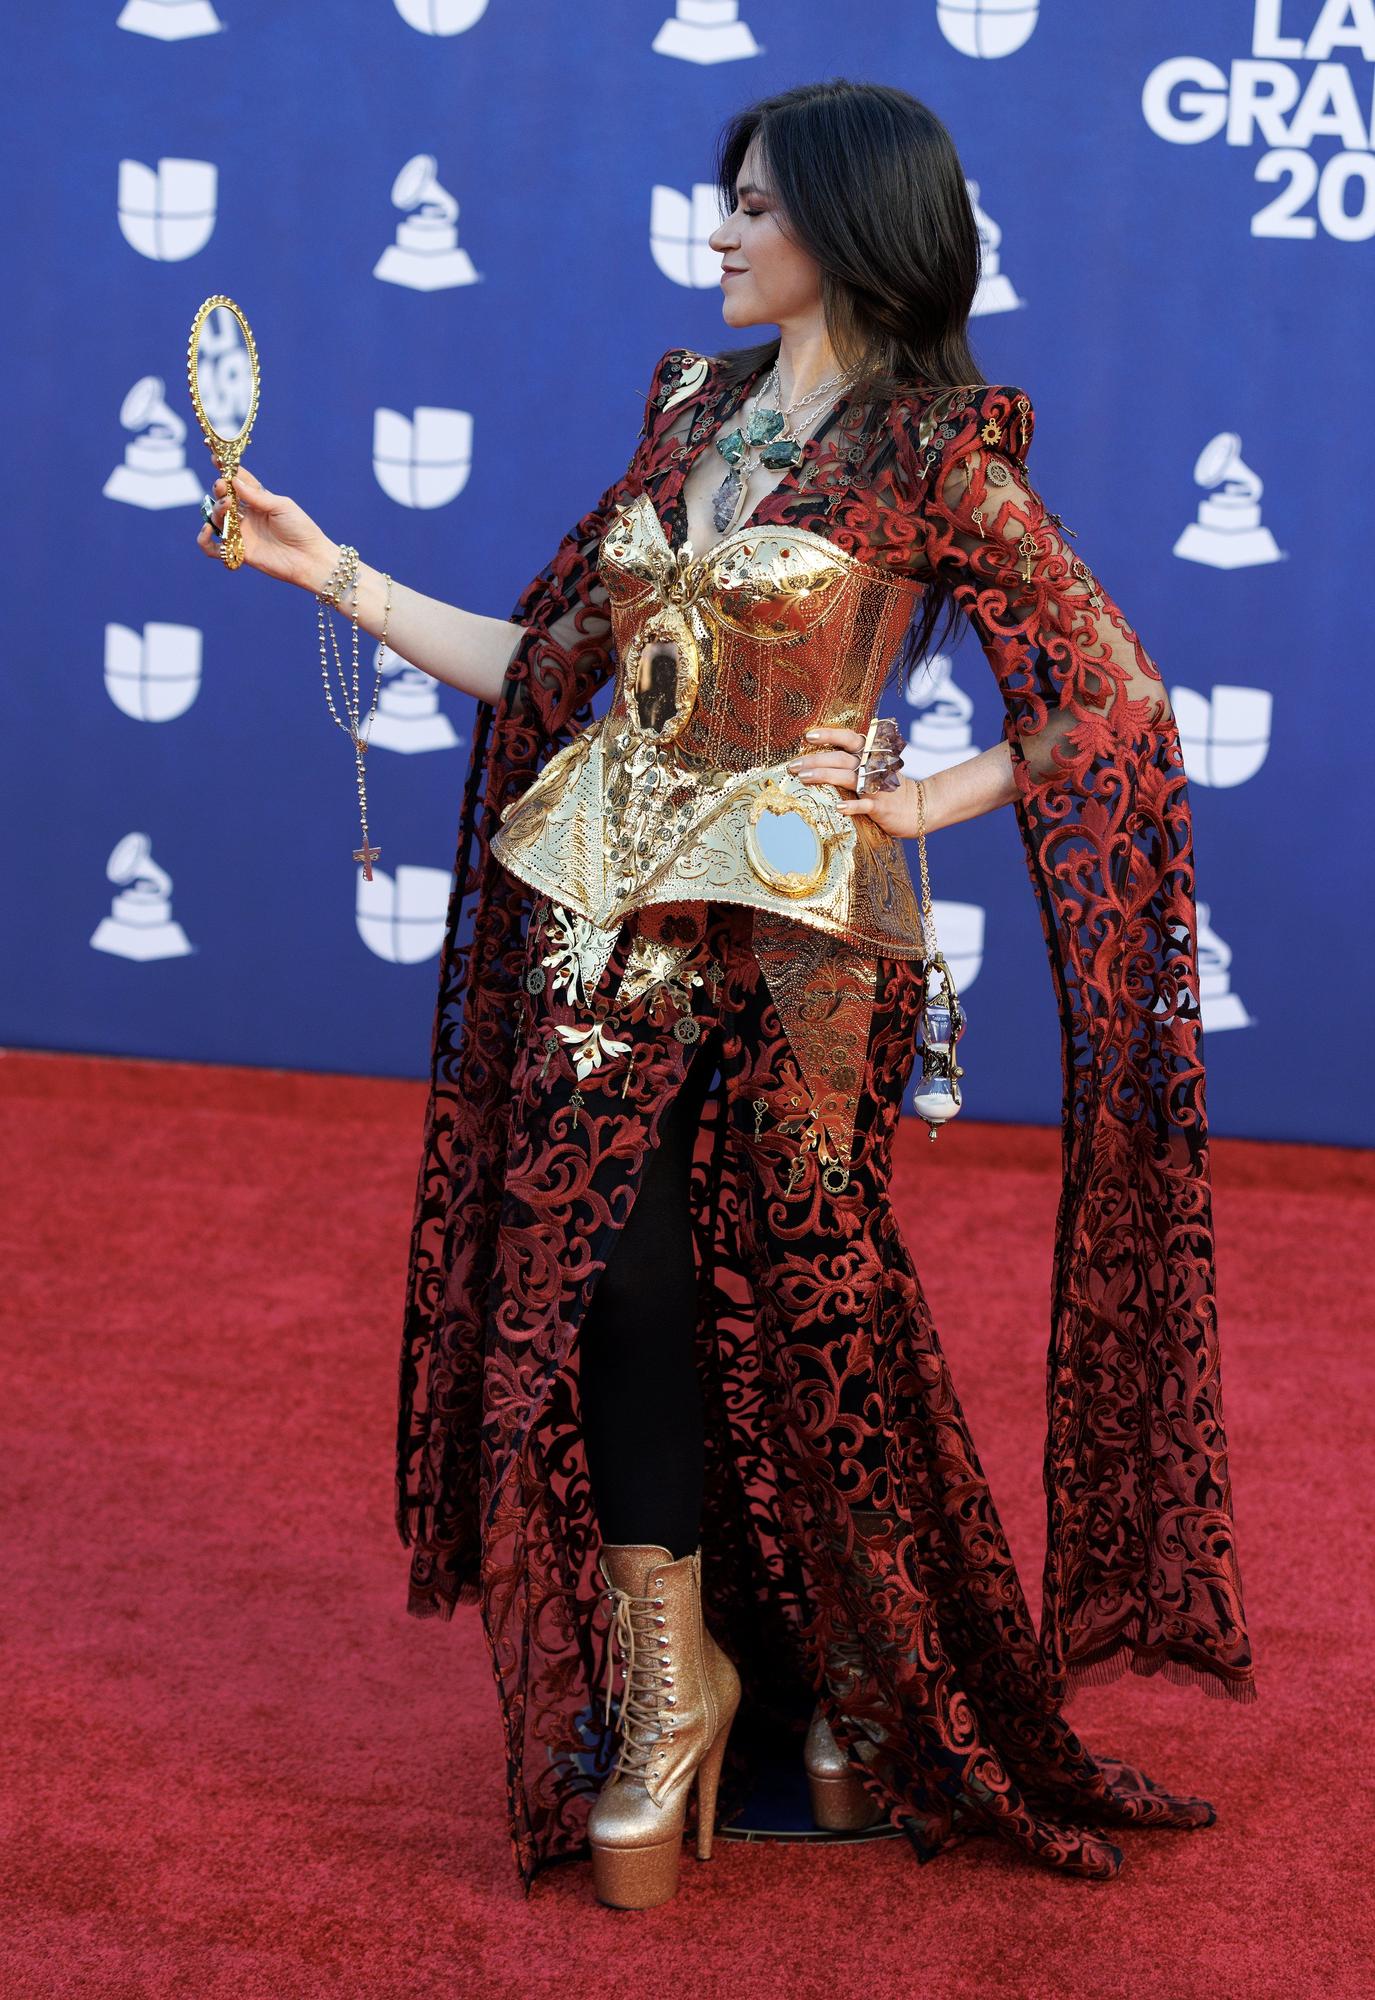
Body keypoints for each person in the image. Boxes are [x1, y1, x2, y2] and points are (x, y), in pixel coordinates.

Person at [198, 79, 1257, 1911]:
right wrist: (332, 570)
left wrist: (915, 797)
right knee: (613, 1278)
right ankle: (681, 1695)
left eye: (755, 205)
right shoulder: (692, 406)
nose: (722, 228)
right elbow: (554, 665)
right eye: (725, 199)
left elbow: (1119, 700)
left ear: (848, 227)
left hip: (792, 945)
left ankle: (842, 1681)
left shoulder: (938, 452)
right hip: (600, 921)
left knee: (799, 1288)